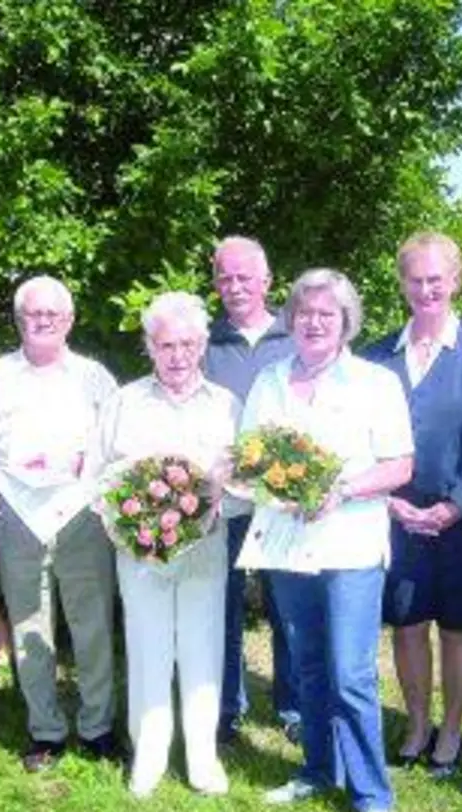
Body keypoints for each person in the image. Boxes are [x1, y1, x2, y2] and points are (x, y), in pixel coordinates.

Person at [239, 268, 414, 812]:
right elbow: (249, 460)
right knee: (306, 666)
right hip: (288, 545)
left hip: (351, 546)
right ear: (290, 319)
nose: (313, 323)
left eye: (326, 315)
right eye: (305, 313)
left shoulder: (375, 383)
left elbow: (398, 466)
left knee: (351, 672)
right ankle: (317, 771)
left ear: (346, 323)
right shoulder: (268, 381)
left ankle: (371, 793)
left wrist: (337, 489)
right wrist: (280, 491)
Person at [363, 232, 462, 778]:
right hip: (398, 518)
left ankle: (452, 728)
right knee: (406, 625)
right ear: (402, 283)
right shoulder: (376, 356)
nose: (426, 289)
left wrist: (456, 504)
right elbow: (363, 440)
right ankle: (417, 723)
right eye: (415, 279)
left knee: (456, 628)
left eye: (436, 279)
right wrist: (392, 503)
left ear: (454, 281)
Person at [86, 292, 240, 797]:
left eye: (188, 344)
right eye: (166, 344)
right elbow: (97, 477)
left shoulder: (226, 405)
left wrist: (218, 502)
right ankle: (148, 757)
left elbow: (244, 485)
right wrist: (123, 528)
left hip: (206, 548)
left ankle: (203, 760)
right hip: (140, 553)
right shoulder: (124, 403)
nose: (177, 355)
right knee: (148, 648)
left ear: (202, 345)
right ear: (149, 346)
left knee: (203, 648)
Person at [0, 275, 122, 773]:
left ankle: (98, 726)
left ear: (70, 321)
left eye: (52, 315)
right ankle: (46, 731)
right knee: (30, 626)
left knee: (93, 622)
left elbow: (115, 451)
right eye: (32, 315)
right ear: (18, 320)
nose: (42, 322)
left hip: (82, 513)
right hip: (17, 514)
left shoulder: (95, 378)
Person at [202, 236, 300, 746]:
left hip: (284, 500)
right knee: (224, 605)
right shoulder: (204, 341)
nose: (235, 287)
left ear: (267, 280)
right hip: (228, 500)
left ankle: (294, 706)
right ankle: (225, 708)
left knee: (289, 605)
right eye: (225, 277)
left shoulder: (297, 333)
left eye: (244, 277)